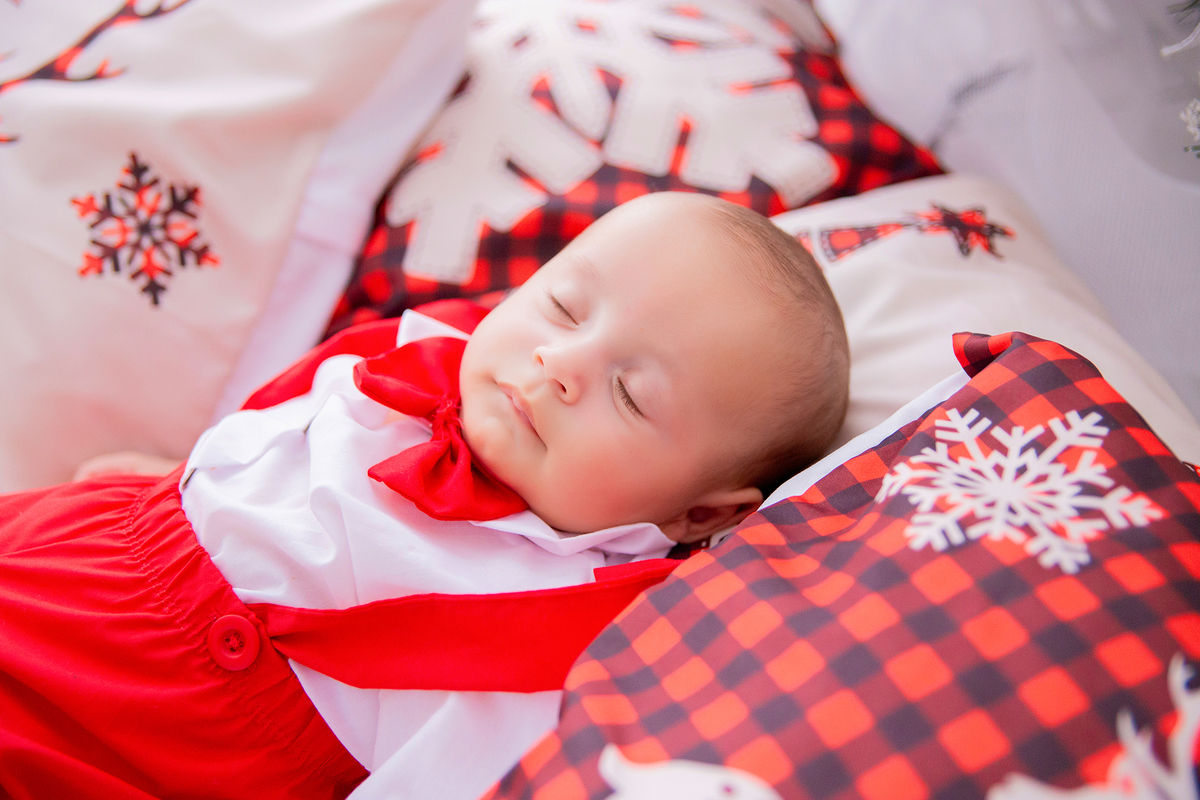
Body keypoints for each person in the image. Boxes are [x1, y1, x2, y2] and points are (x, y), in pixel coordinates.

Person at [1, 192, 849, 800]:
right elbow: (287, 437)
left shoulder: (563, 633)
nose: (559, 364)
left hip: (150, 725)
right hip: (92, 543)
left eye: (630, 395)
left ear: (699, 514)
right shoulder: (424, 356)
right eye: (562, 306)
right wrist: (169, 485)